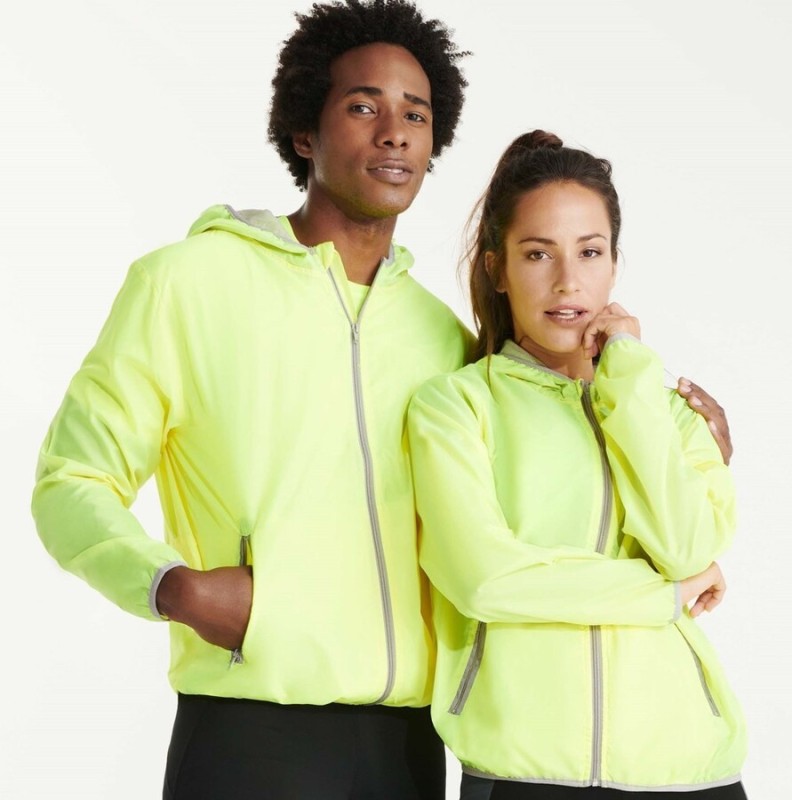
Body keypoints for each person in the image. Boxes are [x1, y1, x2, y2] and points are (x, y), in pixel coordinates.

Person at [30, 0, 733, 796]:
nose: (394, 132)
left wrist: (679, 430)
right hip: (252, 728)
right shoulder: (186, 285)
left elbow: (549, 481)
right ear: (304, 130)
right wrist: (169, 586)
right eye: (364, 107)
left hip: (411, 746)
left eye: (416, 115)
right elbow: (70, 483)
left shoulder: (442, 339)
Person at [406, 130, 747, 798]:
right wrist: (664, 597)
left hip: (691, 771)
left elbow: (686, 548)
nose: (567, 281)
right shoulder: (456, 406)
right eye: (538, 254)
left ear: (614, 264)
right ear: (497, 268)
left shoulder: (669, 410)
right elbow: (484, 580)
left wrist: (630, 380)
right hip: (522, 771)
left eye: (590, 252)